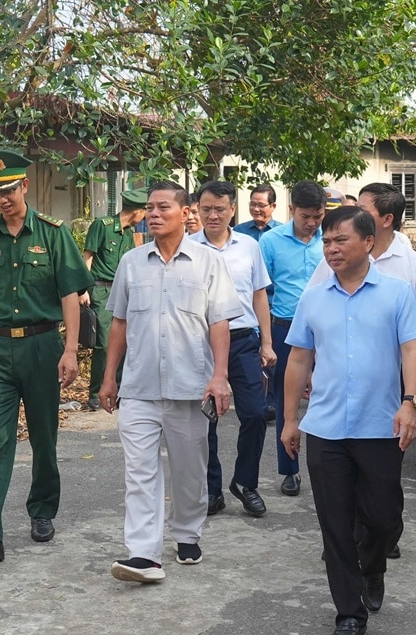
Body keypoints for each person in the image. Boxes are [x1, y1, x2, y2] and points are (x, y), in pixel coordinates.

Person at [281, 205, 416, 635]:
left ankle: (374, 567)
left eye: (341, 240)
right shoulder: (314, 297)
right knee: (335, 524)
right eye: (326, 241)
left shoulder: (398, 293)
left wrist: (410, 403)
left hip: (380, 426)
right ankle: (349, 611)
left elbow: (411, 350)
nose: (332, 248)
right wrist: (291, 419)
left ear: (368, 242)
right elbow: (299, 359)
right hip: (326, 429)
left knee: (382, 519)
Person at [0, 149, 92, 564]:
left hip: (42, 345)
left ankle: (43, 509)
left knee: (44, 437)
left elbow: (71, 293)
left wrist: (70, 349)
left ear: (25, 187)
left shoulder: (53, 233)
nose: (3, 199)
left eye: (9, 190)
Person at [99, 181, 241, 583]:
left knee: (188, 470)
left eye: (164, 207)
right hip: (139, 386)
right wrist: (110, 377)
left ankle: (187, 532)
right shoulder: (131, 262)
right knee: (139, 472)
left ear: (185, 212)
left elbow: (219, 323)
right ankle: (143, 554)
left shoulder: (208, 263)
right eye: (150, 208)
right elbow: (120, 323)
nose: (155, 214)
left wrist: (219, 376)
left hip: (189, 386)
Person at [307, 183, 416, 560]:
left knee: (381, 475)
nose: (353, 210)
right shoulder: (334, 257)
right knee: (340, 469)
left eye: (363, 209)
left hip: (398, 373)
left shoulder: (412, 265)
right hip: (342, 380)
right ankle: (347, 540)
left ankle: (380, 537)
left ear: (383, 222)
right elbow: (315, 310)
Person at [188, 180, 276, 518]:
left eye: (219, 209)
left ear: (232, 210)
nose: (212, 215)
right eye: (206, 209)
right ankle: (211, 491)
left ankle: (245, 482)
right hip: (200, 341)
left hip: (242, 340)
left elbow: (259, 295)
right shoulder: (189, 247)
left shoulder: (249, 246)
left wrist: (266, 342)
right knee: (204, 420)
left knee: (254, 413)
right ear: (197, 209)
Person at [257, 180, 329, 497]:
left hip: (328, 330)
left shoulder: (332, 240)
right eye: (305, 216)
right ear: (291, 210)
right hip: (285, 329)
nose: (312, 223)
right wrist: (266, 339)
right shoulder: (270, 242)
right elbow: (260, 291)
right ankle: (290, 470)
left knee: (329, 398)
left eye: (318, 215)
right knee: (287, 404)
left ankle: (331, 470)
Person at [81, 189, 148, 411]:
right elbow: (87, 257)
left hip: (123, 292)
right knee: (103, 343)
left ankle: (117, 388)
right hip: (100, 290)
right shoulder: (103, 225)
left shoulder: (129, 233)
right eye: (145, 212)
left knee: (125, 341)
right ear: (137, 212)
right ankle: (95, 392)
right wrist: (83, 289)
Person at [233, 183, 283, 420]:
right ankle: (256, 398)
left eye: (261, 205)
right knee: (254, 352)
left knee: (271, 350)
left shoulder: (282, 234)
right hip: (247, 302)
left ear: (273, 206)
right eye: (252, 204)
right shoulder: (239, 233)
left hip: (274, 302)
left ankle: (271, 401)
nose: (256, 209)